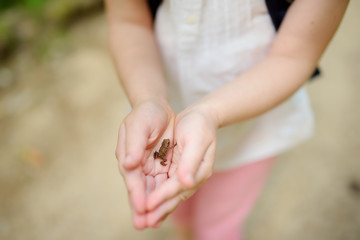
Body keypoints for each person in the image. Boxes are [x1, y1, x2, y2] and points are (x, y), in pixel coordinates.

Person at [105, 0, 349, 239]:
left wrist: (208, 113)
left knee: (218, 226)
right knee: (176, 208)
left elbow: (295, 57)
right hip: (167, 111)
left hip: (253, 131)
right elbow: (129, 21)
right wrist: (149, 99)